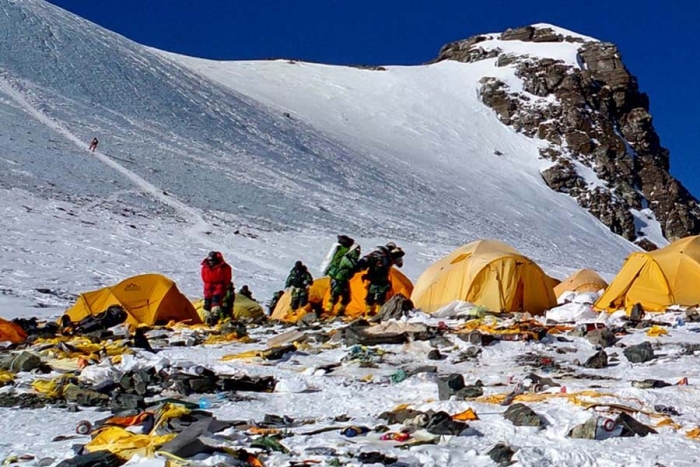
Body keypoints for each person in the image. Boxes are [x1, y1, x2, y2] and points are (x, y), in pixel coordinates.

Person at [354, 242, 405, 315]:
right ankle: (377, 313)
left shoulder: (377, 254)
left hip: (375, 279)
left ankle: (370, 313)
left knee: (371, 297)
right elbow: (400, 264)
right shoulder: (389, 257)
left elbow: (364, 262)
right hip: (381, 280)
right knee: (379, 298)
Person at [324, 235, 361, 316]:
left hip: (336, 277)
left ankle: (331, 311)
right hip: (341, 278)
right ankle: (332, 312)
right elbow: (353, 266)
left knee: (336, 294)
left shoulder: (340, 252)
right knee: (341, 296)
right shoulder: (346, 257)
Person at [201, 251, 232, 325]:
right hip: (208, 287)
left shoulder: (223, 267)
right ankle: (207, 320)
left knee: (216, 303)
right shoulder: (205, 267)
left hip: (218, 287)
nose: (211, 262)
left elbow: (227, 277)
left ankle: (214, 320)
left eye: (212, 260)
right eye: (210, 260)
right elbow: (203, 277)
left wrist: (225, 285)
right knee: (207, 304)